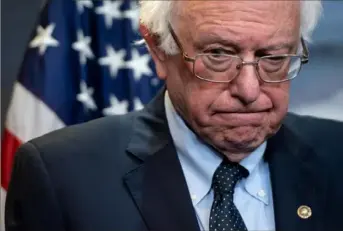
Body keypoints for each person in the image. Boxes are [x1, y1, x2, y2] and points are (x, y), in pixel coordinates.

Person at [5, 1, 343, 231]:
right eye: (219, 54)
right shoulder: (61, 176)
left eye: (273, 57)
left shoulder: (337, 154)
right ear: (158, 50)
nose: (250, 90)